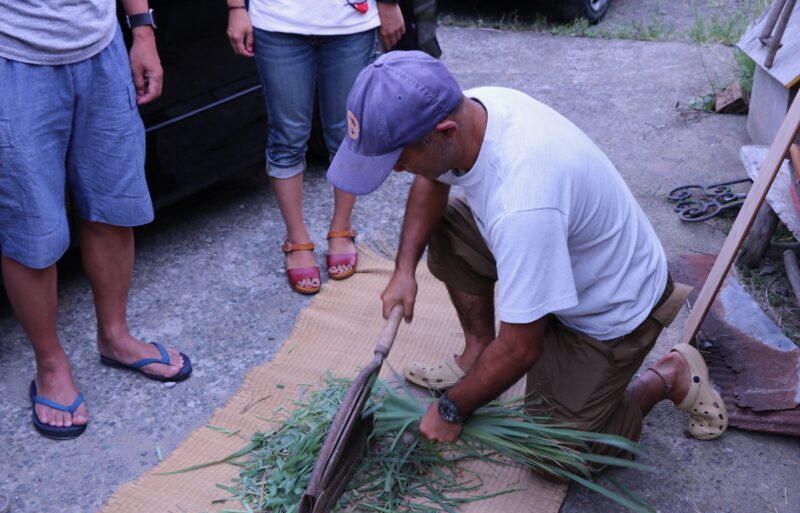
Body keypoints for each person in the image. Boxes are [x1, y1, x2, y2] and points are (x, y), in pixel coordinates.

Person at [327, 51, 728, 461]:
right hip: (558, 257)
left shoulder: (523, 202)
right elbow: (433, 180)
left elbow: (521, 348)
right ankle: (479, 352)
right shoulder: (469, 112)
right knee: (446, 221)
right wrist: (403, 270)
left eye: (397, 158)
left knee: (558, 452)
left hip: (610, 307)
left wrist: (452, 408)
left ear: (445, 132)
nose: (395, 171)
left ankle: (669, 376)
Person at [0, 0, 192, 440]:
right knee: (32, 229)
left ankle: (115, 336)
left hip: (101, 48)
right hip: (13, 59)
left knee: (112, 206)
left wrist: (142, 30)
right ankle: (50, 365)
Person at [226, 0, 405, 295]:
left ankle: (342, 228)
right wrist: (236, 7)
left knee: (349, 131)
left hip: (351, 22)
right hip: (277, 21)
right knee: (287, 136)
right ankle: (297, 239)